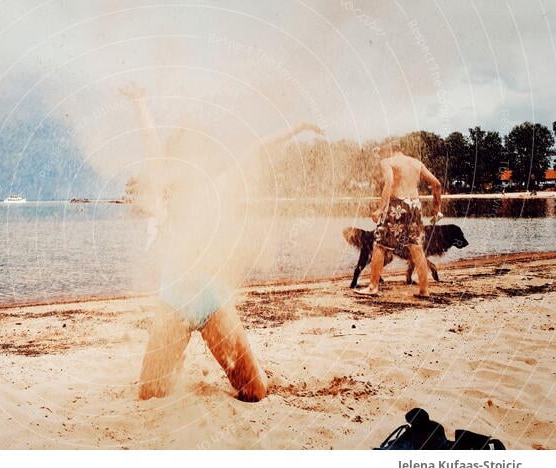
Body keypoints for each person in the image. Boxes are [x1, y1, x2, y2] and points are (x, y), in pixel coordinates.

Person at [121, 83, 320, 402]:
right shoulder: (166, 182)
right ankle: (176, 360)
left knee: (254, 391)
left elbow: (259, 149)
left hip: (212, 301)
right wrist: (141, 101)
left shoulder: (220, 184)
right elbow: (150, 139)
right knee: (150, 394)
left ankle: (252, 369)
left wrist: (296, 129)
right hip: (173, 300)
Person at [355, 141, 443, 298]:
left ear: (388, 151)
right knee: (416, 247)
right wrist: (437, 209)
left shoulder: (387, 162)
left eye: (382, 153)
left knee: (380, 245)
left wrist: (381, 209)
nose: (381, 156)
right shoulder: (416, 163)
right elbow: (437, 184)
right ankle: (424, 290)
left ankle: (373, 287)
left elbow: (389, 183)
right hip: (415, 206)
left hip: (397, 205)